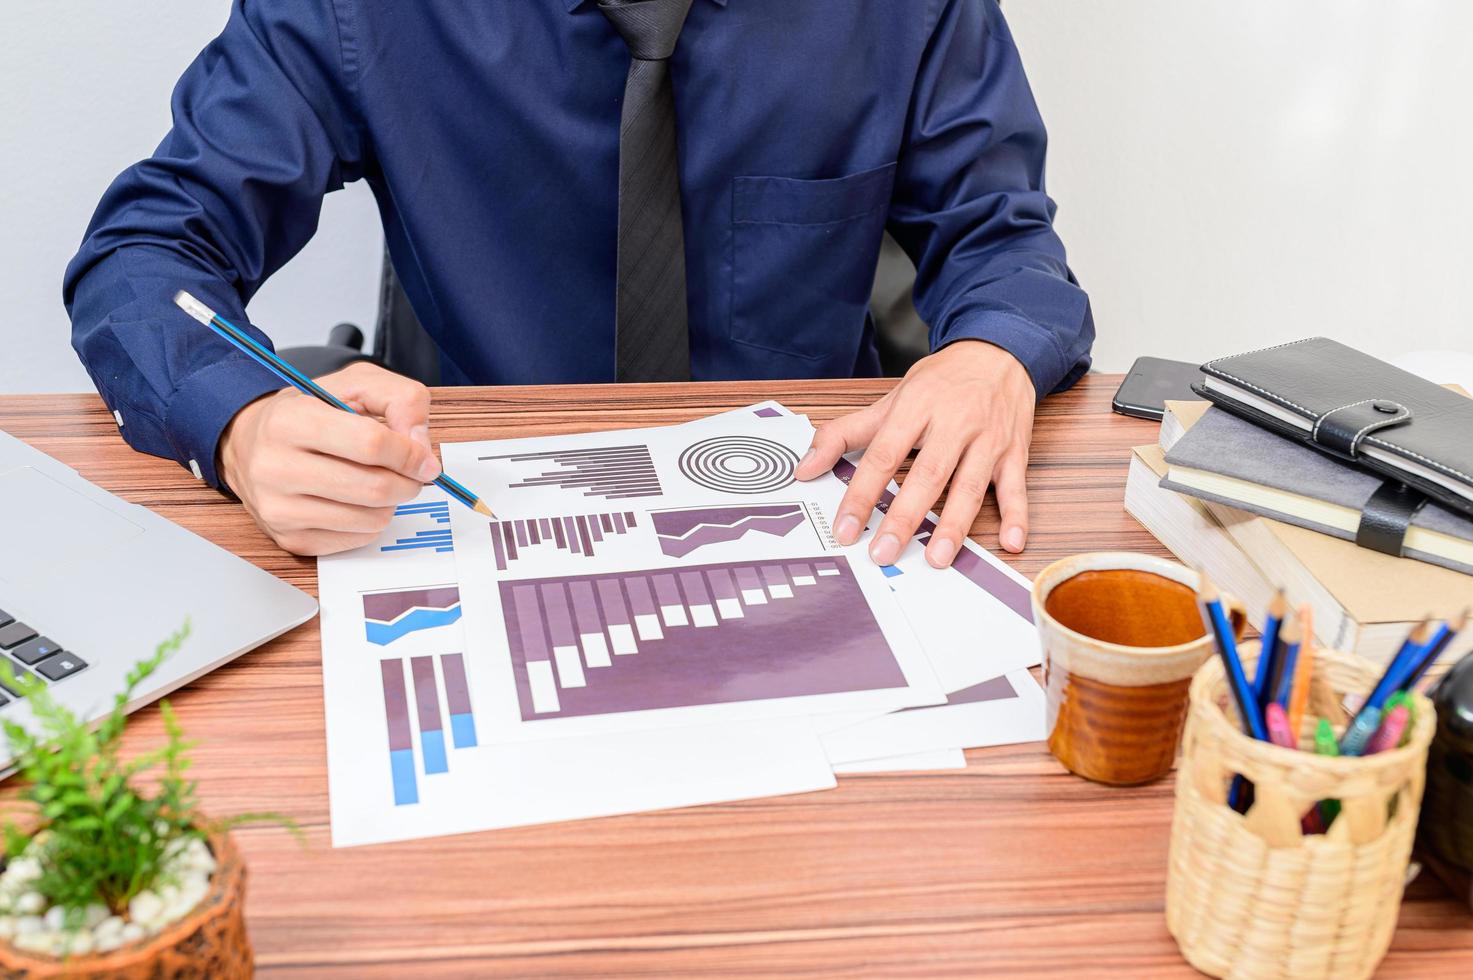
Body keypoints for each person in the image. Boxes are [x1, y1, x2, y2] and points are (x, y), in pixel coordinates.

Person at [64, 0, 1093, 564]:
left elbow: (1004, 241)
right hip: (474, 521)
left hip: (815, 525)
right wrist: (239, 426)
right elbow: (144, 252)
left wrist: (989, 354)